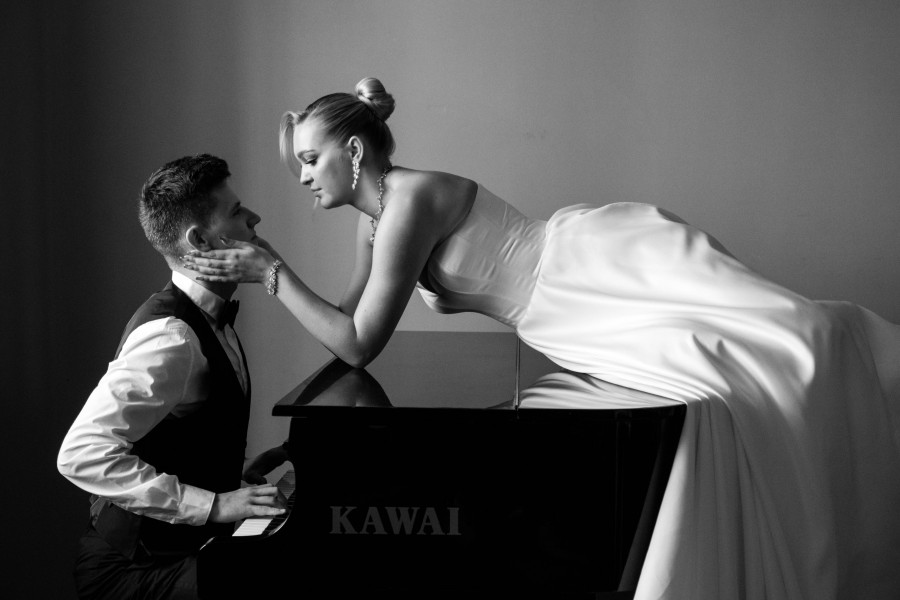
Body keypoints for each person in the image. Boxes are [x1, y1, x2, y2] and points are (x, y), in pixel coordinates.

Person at [181, 79, 900, 599]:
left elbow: (360, 343)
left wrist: (271, 273)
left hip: (584, 279)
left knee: (788, 345)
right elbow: (344, 324)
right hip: (564, 313)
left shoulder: (408, 204)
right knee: (739, 368)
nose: (304, 178)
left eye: (311, 159)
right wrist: (273, 272)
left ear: (354, 150)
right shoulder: (379, 219)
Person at [58, 154, 290, 600]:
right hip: (131, 570)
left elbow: (177, 441)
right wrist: (214, 504)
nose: (254, 217)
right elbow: (80, 453)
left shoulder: (209, 319)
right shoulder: (172, 337)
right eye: (236, 211)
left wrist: (231, 477)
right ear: (200, 240)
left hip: (173, 550)